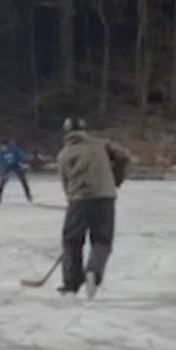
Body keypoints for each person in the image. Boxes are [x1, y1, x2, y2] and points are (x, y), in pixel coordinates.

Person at [57, 117, 132, 299]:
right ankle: (94, 272)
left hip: (79, 200)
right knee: (102, 240)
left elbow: (65, 181)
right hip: (105, 198)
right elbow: (124, 157)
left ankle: (71, 284)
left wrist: (71, 197)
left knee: (72, 241)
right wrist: (116, 178)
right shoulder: (101, 144)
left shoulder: (64, 154)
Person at [0, 139, 33, 203]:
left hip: (17, 167)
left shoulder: (15, 150)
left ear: (7, 146)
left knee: (23, 181)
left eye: (4, 146)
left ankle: (28, 196)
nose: (3, 148)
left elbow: (20, 157)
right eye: (2, 147)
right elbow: (1, 163)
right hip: (7, 169)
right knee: (2, 182)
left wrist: (19, 163)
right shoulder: (2, 153)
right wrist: (4, 172)